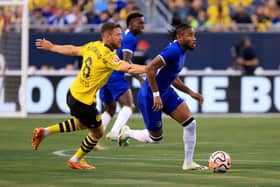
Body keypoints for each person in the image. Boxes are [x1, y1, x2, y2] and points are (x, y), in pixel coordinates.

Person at [31, 22, 145, 170]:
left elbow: (73, 50)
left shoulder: (93, 45)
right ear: (108, 36)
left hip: (73, 94)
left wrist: (52, 47)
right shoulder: (108, 55)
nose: (121, 38)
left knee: (83, 124)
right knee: (98, 132)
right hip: (83, 102)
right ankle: (76, 159)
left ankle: (44, 132)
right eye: (118, 35)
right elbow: (128, 67)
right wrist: (151, 68)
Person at [118, 23, 208, 170]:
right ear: (179, 37)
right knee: (155, 139)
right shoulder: (173, 51)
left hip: (165, 92)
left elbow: (171, 76)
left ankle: (188, 163)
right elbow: (150, 68)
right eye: (190, 35)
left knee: (190, 123)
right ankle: (127, 132)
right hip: (150, 95)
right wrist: (156, 95)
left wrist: (191, 93)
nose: (194, 38)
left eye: (194, 35)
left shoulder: (181, 51)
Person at [99, 12, 145, 143]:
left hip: (105, 74)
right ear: (130, 24)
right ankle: (114, 132)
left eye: (143, 23)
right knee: (128, 105)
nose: (142, 25)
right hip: (115, 74)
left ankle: (93, 139)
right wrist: (140, 78)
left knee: (109, 110)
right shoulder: (130, 38)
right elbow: (126, 61)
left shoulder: (123, 36)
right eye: (139, 23)